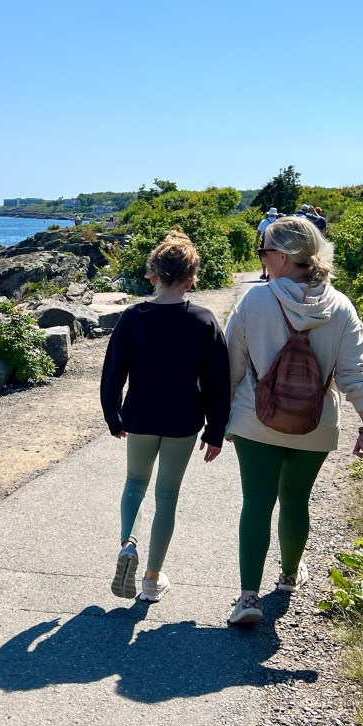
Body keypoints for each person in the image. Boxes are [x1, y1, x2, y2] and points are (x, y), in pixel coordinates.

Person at [224, 216, 363, 625]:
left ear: (281, 255)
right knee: (296, 500)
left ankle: (248, 597)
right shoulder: (340, 306)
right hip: (317, 423)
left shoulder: (255, 302)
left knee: (257, 503)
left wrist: (221, 417)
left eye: (263, 252)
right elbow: (355, 372)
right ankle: (290, 577)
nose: (262, 260)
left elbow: (232, 366)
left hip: (256, 419)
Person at [100, 231, 230, 604]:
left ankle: (128, 544)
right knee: (167, 495)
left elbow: (113, 372)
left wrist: (113, 415)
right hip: (183, 420)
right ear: (192, 278)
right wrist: (215, 430)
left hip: (139, 416)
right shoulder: (204, 320)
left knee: (135, 483)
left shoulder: (132, 317)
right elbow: (218, 382)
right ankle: (151, 579)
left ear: (153, 275)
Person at [256, 207, 280, 280]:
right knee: (274, 258)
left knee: (264, 257)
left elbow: (258, 232)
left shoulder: (264, 221)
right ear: (275, 215)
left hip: (265, 241)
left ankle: (264, 273)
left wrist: (256, 242)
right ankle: (270, 274)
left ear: (269, 214)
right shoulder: (278, 222)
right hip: (274, 242)